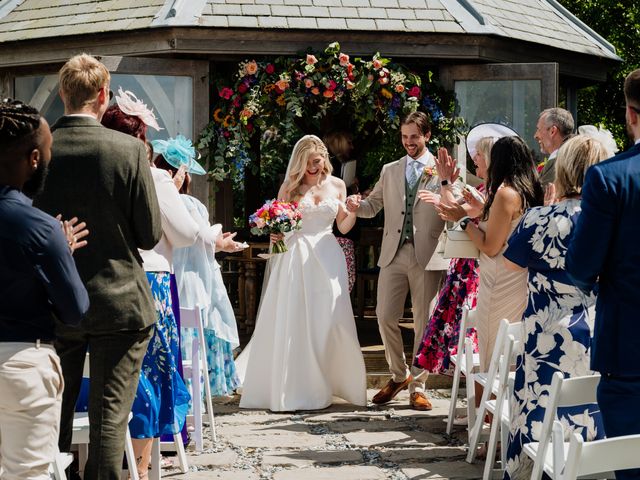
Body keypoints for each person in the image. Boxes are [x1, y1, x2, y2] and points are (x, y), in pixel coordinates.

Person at [34, 54, 162, 479]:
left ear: (62, 93)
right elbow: (149, 234)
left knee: (55, 416)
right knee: (110, 419)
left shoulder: (39, 151)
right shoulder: (127, 150)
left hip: (54, 303)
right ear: (103, 96)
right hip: (120, 301)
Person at [502, 134, 610, 479]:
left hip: (545, 338)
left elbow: (510, 263)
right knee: (591, 411)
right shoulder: (613, 220)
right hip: (598, 333)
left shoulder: (538, 219)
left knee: (536, 416)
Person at [237, 134, 366, 412]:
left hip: (328, 256)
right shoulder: (290, 187)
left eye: (317, 162)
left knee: (330, 319)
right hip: (295, 256)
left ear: (324, 160)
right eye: (307, 163)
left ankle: (333, 379)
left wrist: (353, 210)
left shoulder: (338, 185)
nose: (312, 167)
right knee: (297, 318)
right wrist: (275, 233)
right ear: (299, 163)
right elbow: (282, 227)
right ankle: (300, 386)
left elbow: (343, 228)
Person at [346, 111, 460, 410]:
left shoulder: (442, 169)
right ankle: (399, 375)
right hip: (393, 253)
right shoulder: (390, 169)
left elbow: (455, 207)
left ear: (427, 135)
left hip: (429, 253)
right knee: (384, 315)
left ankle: (419, 386)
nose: (409, 142)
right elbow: (373, 207)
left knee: (423, 320)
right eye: (404, 136)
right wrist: (357, 205)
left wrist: (446, 184)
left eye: (414, 136)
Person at [0, 100, 89, 480]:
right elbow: (75, 309)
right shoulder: (40, 228)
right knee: (28, 473)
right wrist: (61, 255)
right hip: (21, 361)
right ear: (34, 158)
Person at [567, 68, 640, 480]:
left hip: (630, 350)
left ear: (631, 114)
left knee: (631, 467)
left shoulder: (610, 177)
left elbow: (581, 267)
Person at [436, 136, 544, 372]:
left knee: (492, 350)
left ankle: (487, 408)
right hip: (521, 279)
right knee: (512, 353)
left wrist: (463, 220)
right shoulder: (530, 192)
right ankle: (502, 407)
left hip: (499, 281)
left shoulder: (506, 194)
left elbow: (490, 246)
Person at [156, 148, 245, 397]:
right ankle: (192, 400)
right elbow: (199, 235)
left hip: (172, 270)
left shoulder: (156, 203)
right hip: (193, 276)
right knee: (193, 334)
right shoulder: (187, 202)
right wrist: (222, 243)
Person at [324, 130, 358, 292]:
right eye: (348, 142)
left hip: (344, 228)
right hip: (333, 233)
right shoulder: (330, 170)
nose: (351, 146)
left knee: (344, 283)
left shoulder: (345, 165)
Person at [534, 107, 574, 185]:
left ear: (552, 131)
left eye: (539, 129)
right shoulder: (571, 157)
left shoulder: (560, 162)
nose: (535, 135)